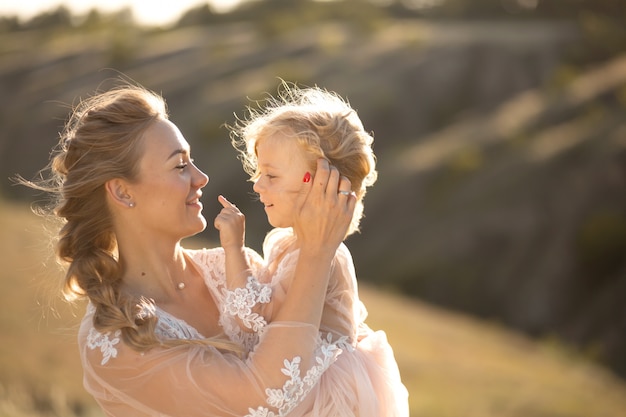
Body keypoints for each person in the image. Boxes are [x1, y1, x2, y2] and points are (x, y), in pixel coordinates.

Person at [22, 83, 359, 417]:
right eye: (180, 165)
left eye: (192, 161)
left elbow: (332, 357)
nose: (201, 177)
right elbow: (262, 398)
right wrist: (316, 252)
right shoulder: (115, 339)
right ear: (123, 192)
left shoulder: (231, 266)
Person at [215, 83, 409, 416]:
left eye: (271, 175)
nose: (257, 185)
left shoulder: (321, 256)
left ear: (319, 180)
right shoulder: (290, 244)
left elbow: (253, 323)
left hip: (319, 398)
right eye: (259, 173)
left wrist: (234, 249)